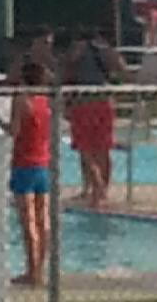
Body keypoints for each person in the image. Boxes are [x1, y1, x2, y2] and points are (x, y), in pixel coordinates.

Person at [63, 26, 127, 207]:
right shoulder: (106, 50)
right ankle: (102, 189)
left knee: (85, 149)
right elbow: (122, 69)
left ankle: (93, 186)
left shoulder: (76, 50)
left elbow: (67, 73)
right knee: (103, 148)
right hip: (104, 101)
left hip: (83, 102)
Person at [2, 60, 52, 288]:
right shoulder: (45, 101)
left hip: (24, 163)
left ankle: (32, 272)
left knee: (28, 220)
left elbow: (14, 130)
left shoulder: (21, 100)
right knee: (44, 219)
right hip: (42, 163)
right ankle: (41, 269)